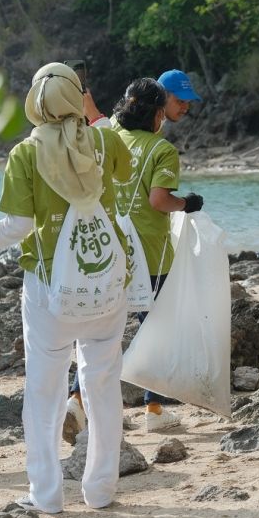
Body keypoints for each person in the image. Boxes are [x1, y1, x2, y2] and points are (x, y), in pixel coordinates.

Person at [0, 62, 132, 514]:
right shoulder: (105, 138)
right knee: (102, 387)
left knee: (43, 394)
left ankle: (47, 495)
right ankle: (100, 491)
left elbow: (16, 228)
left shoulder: (25, 154)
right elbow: (124, 173)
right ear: (76, 96)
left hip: (50, 293)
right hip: (108, 286)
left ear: (35, 102)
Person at [63, 77, 203, 441]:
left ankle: (76, 401)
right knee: (153, 331)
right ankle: (154, 410)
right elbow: (159, 201)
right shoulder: (162, 150)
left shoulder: (110, 139)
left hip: (108, 252)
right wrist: (187, 203)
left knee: (97, 335)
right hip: (152, 256)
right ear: (158, 114)